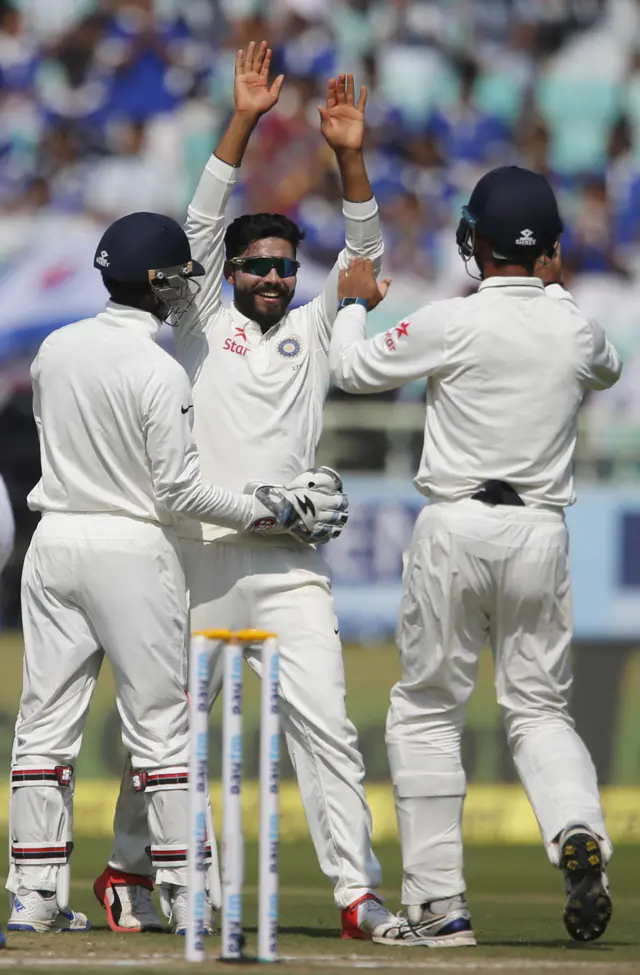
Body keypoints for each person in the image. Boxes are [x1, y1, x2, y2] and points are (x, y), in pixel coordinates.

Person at [94, 42, 400, 942]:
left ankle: (356, 893)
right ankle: (128, 864)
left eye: (281, 268)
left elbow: (365, 250)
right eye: (257, 266)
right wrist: (243, 120)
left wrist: (349, 155)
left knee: (328, 730)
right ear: (229, 275)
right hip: (198, 559)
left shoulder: (315, 324)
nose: (271, 277)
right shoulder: (199, 318)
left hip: (292, 566)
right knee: (170, 736)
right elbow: (194, 227)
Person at [6, 210, 348, 934]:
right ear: (158, 281)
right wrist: (272, 509)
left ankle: (34, 894)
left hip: (54, 540)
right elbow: (179, 492)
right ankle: (185, 886)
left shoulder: (54, 351)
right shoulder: (159, 371)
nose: (183, 291)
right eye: (178, 279)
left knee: (42, 727)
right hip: (131, 547)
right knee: (163, 727)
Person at [327, 166, 622, 947]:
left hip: (455, 524)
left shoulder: (451, 320)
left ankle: (439, 904)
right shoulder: (574, 326)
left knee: (426, 708)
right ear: (550, 250)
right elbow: (610, 366)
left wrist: (353, 305)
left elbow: (349, 369)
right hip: (540, 531)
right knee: (540, 710)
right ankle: (575, 831)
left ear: (476, 244)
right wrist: (553, 290)